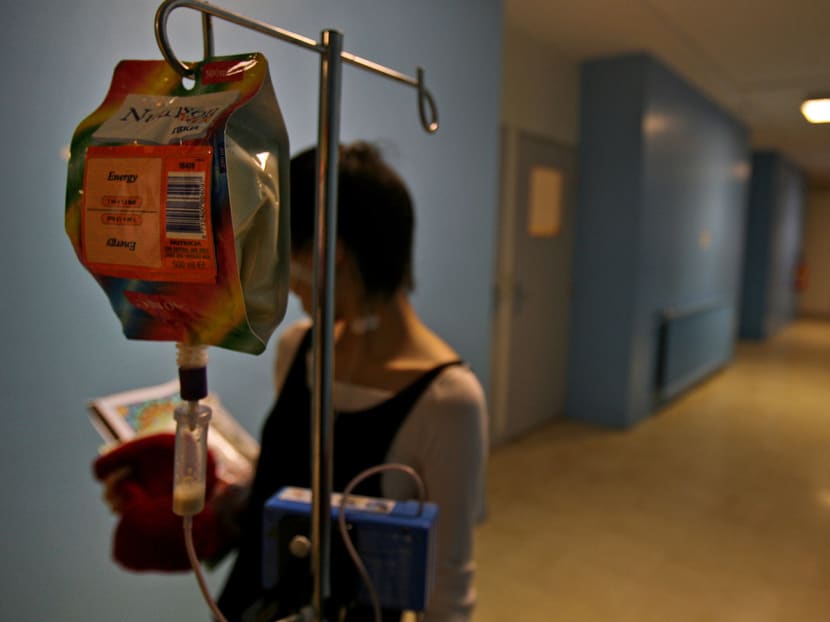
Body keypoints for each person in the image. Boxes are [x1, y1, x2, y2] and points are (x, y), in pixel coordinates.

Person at [94, 142, 488, 622]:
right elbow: (283, 482)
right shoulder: (301, 348)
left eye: (283, 253)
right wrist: (192, 499)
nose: (282, 280)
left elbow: (447, 583)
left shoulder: (447, 401)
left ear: (331, 251)